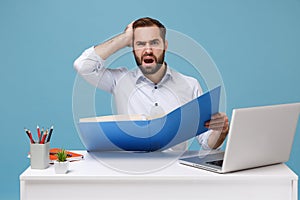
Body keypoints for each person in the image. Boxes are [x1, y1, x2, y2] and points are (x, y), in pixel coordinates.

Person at [74, 17, 229, 151]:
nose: (148, 50)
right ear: (132, 48)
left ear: (165, 45)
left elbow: (207, 142)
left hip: (175, 173)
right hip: (130, 172)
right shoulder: (119, 80)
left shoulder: (190, 84)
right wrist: (124, 38)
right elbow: (83, 66)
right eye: (140, 44)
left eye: (154, 42)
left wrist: (220, 131)